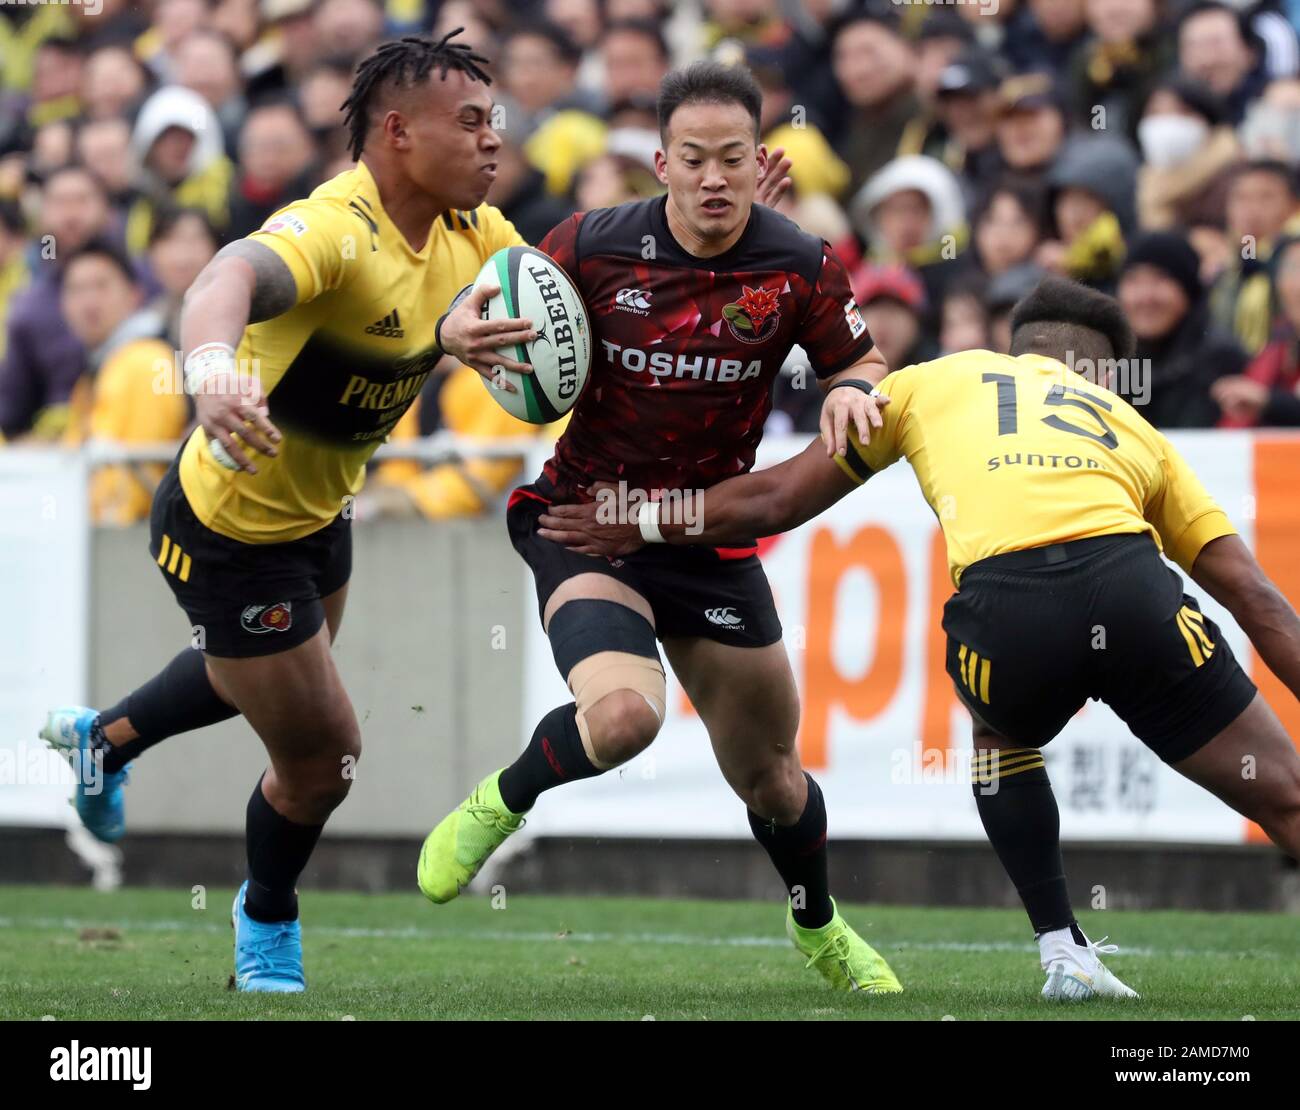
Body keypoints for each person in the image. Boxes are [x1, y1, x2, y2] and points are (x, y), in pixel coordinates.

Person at [537, 275, 1300, 1002]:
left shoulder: (935, 380)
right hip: (1131, 588)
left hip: (1006, 613)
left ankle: (1062, 950)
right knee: (1287, 797)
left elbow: (773, 498)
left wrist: (636, 518)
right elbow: (1258, 601)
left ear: (1016, 348)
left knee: (1000, 733)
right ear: (1102, 371)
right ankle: (1075, 947)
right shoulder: (1136, 429)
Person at [40, 29, 538, 993]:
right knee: (322, 758)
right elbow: (225, 277)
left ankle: (102, 743)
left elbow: (569, 282)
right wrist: (214, 369)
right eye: (470, 124)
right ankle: (265, 920)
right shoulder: (337, 227)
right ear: (396, 132)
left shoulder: (474, 235)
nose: (493, 144)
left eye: (496, 125)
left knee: (251, 679)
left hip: (319, 514)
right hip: (228, 528)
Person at [419, 59, 902, 995]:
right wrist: (452, 332)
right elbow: (483, 298)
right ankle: (506, 797)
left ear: (757, 158)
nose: (714, 177)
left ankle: (820, 924)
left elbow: (864, 355)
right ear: (662, 163)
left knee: (774, 782)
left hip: (705, 538)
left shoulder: (798, 261)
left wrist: (852, 390)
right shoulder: (592, 244)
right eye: (694, 158)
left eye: (731, 158)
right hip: (585, 520)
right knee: (625, 718)